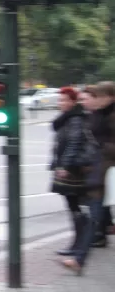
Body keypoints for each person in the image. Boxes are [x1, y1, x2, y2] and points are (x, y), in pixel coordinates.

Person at [62, 82, 115, 274]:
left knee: (95, 216)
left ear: (110, 97)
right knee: (94, 217)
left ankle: (79, 258)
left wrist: (102, 148)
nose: (95, 100)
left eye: (99, 96)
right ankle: (79, 260)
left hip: (109, 173)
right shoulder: (96, 116)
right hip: (100, 174)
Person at [49, 87, 91, 256]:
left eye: (65, 100)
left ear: (73, 102)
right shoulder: (66, 118)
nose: (61, 103)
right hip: (68, 167)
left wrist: (64, 166)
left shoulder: (75, 119)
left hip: (73, 170)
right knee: (73, 206)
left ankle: (79, 243)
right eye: (60, 100)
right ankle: (78, 242)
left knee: (76, 207)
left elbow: (74, 143)